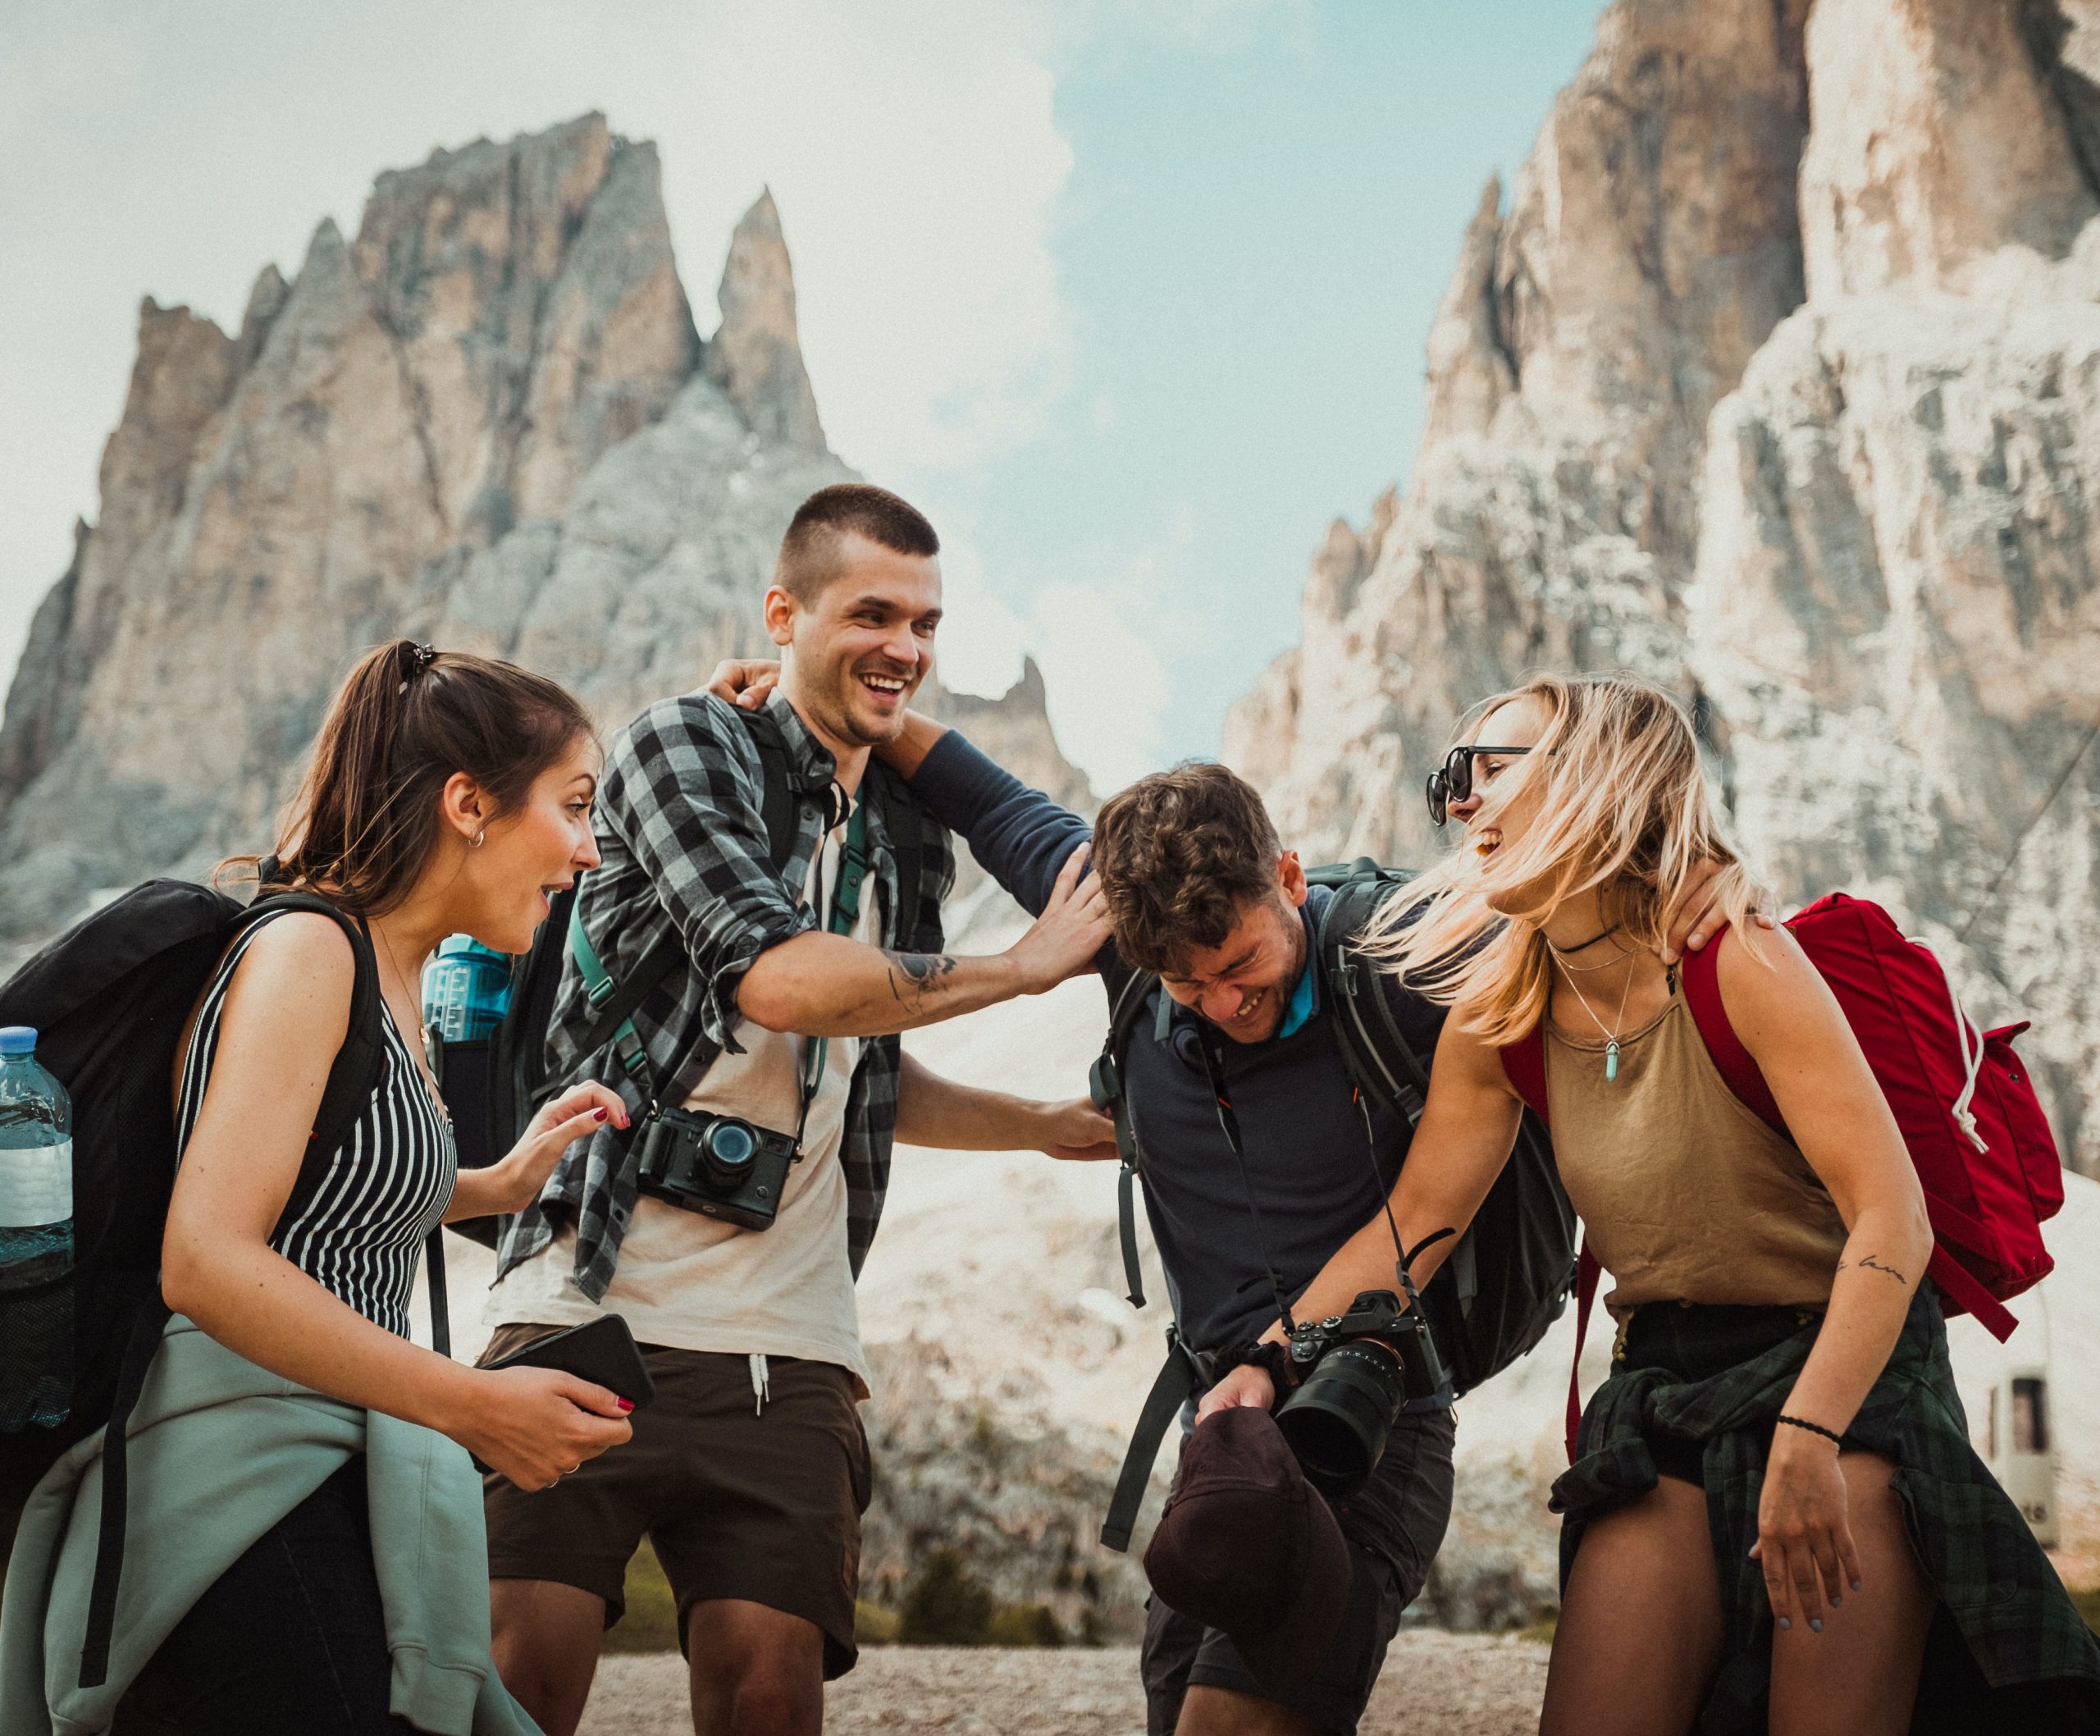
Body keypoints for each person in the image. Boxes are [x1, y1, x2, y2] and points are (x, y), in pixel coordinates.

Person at [702, 656, 1737, 1736]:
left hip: (1368, 1414)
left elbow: (1593, 962)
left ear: (1289, 877)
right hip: (1227, 1433)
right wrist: (812, 684)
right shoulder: (1128, 946)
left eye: (1242, 963)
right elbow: (982, 795)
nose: (1225, 1002)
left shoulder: (1403, 959)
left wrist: (1274, 1359)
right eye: (1188, 985)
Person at [1205, 672, 2100, 1734]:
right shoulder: (1504, 1014)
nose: (1459, 803)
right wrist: (1264, 1361)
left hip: (1845, 1376)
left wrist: (1811, 1437)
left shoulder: (1740, 963)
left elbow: (1891, 1218)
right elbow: (1412, 1229)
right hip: (1667, 1380)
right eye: (1453, 777)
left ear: (1599, 779)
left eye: (1491, 771)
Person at [480, 483, 1116, 1736]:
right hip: (589, 1296)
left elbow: (866, 1064)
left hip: (794, 1339)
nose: (908, 646)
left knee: (771, 1697)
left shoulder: (908, 833)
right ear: (783, 612)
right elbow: (775, 977)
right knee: (514, 1686)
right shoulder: (682, 747)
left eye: (927, 622)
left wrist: (1040, 1124)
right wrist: (1023, 968)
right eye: (872, 612)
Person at [2, 641, 638, 1735]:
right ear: (468, 804)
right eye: (574, 808)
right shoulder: (309, 948)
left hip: (336, 1455)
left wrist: (492, 1181)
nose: (586, 852)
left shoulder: (394, 970)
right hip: (236, 1486)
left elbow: (319, 1192)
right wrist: (478, 1408)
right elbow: (205, 1258)